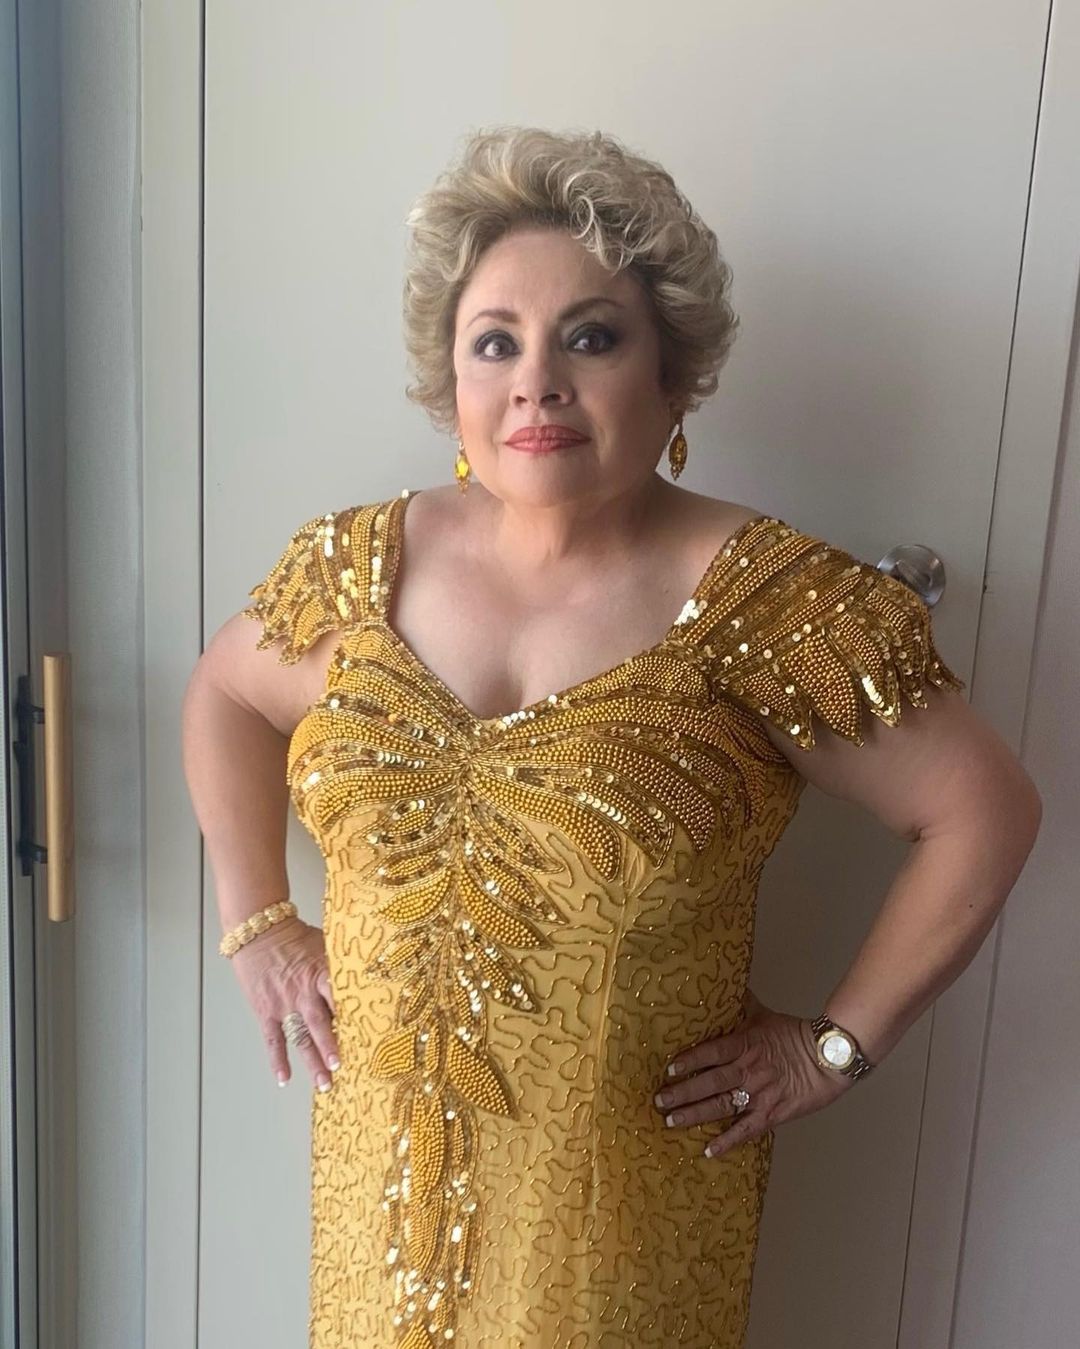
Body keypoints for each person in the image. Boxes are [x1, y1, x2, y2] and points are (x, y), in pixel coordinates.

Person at [181, 125, 1042, 1349]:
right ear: (453, 381)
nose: (536, 381)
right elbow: (224, 692)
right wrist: (259, 922)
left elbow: (983, 809)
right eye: (496, 342)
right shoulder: (354, 572)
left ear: (671, 374)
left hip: (616, 1225)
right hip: (381, 1195)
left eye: (590, 337)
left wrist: (834, 1047)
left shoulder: (765, 604)